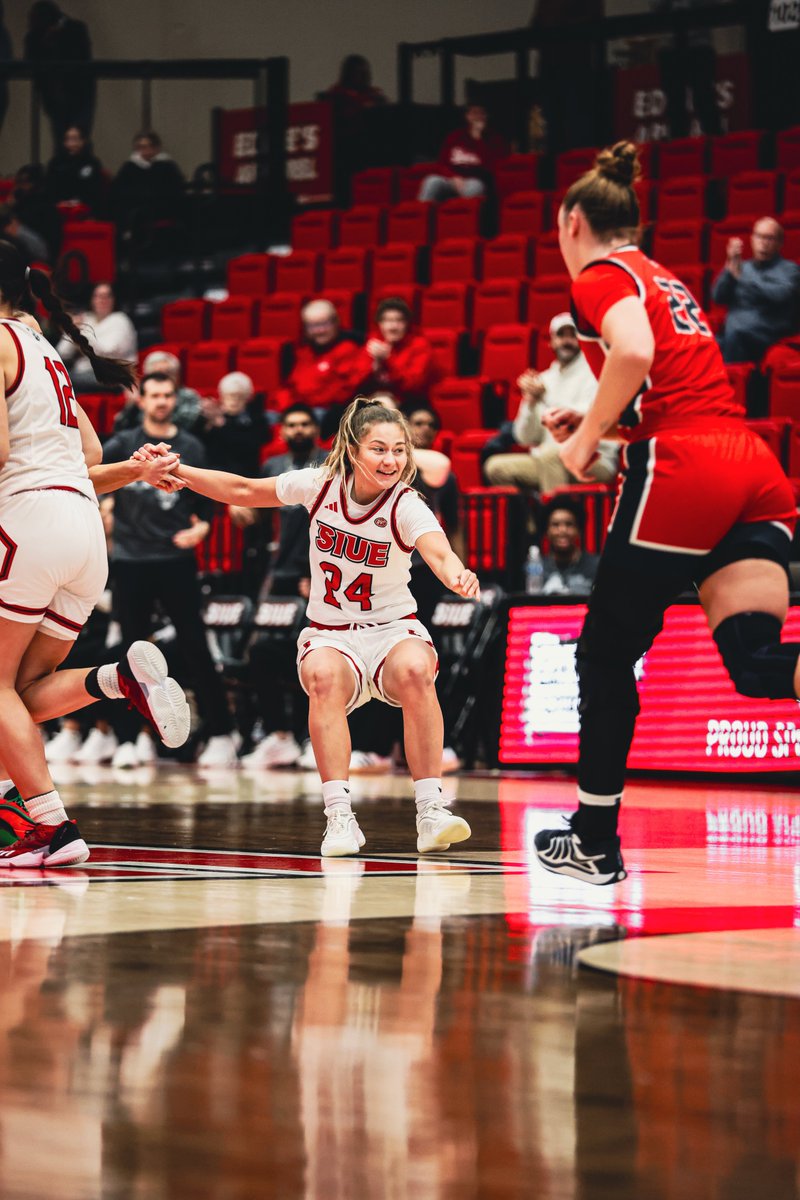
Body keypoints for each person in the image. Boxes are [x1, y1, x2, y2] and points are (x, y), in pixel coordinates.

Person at [533, 142, 798, 886]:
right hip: (751, 468)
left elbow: (636, 352)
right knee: (752, 662)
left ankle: (593, 837)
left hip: (687, 470)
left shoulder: (597, 275)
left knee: (605, 653)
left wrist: (585, 440)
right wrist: (602, 425)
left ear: (573, 220)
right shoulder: (662, 274)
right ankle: (590, 836)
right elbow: (671, 384)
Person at [144, 397, 479, 857]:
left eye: (400, 450)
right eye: (379, 449)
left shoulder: (406, 504)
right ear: (353, 448)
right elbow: (242, 490)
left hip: (391, 630)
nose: (392, 460)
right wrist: (181, 472)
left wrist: (457, 573)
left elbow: (438, 551)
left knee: (417, 671)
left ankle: (430, 811)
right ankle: (340, 818)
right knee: (323, 678)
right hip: (331, 632)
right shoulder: (319, 485)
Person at [0, 240, 190, 867]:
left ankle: (50, 826)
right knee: (19, 693)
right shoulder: (47, 354)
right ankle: (116, 679)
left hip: (26, 523)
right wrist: (135, 475)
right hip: (82, 529)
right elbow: (88, 462)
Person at [101, 372, 240, 768]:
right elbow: (96, 481)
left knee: (196, 646)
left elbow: (209, 503)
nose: (160, 401)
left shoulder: (192, 445)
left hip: (176, 561)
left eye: (167, 395)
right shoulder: (125, 445)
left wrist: (202, 528)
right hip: (130, 561)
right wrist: (104, 509)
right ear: (141, 401)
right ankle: (130, 739)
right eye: (154, 395)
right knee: (130, 652)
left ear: (175, 400)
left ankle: (220, 734)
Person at [234, 404, 327, 769]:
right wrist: (239, 509)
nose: (298, 429)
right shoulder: (273, 467)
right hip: (281, 574)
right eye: (292, 424)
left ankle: (312, 738)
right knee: (260, 652)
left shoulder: (329, 465)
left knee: (315, 655)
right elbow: (255, 504)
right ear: (283, 431)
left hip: (320, 575)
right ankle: (279, 735)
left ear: (315, 427)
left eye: (305, 423)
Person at [484, 314, 618, 495]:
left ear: (580, 340)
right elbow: (524, 437)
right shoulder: (544, 379)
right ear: (552, 341)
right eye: (562, 335)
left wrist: (544, 397)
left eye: (573, 335)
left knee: (550, 456)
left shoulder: (595, 374)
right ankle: (533, 523)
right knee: (496, 468)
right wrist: (530, 403)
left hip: (594, 459)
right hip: (550, 459)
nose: (567, 341)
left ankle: (558, 520)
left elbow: (584, 419)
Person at [711, 217, 800, 364]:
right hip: (734, 335)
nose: (763, 243)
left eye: (769, 238)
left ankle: (734, 382)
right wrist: (729, 270)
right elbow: (717, 297)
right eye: (759, 236)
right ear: (752, 239)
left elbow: (780, 295)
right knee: (705, 345)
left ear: (780, 243)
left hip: (769, 334)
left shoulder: (790, 270)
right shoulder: (741, 268)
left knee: (735, 334)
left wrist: (743, 278)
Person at [273, 298, 362, 432]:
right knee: (268, 418)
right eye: (312, 326)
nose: (319, 331)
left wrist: (301, 408)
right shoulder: (302, 352)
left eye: (324, 324)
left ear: (335, 322)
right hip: (296, 411)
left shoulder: (348, 349)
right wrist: (289, 408)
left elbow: (342, 392)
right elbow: (289, 386)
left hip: (325, 415)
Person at [24, 1, 95, 145]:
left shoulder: (76, 30)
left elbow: (81, 57)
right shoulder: (34, 37)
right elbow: (30, 62)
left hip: (78, 94)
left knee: (79, 139)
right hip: (55, 97)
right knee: (61, 140)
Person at [354, 299, 438, 412]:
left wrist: (388, 360)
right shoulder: (373, 343)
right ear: (379, 324)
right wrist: (373, 367)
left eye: (399, 321)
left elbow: (413, 385)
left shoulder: (419, 346)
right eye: (388, 321)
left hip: (409, 403)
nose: (393, 327)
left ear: (407, 324)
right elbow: (355, 381)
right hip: (372, 399)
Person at [110, 131, 185, 252]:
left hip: (160, 208)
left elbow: (175, 190)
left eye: (147, 146)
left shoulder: (167, 166)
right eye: (140, 147)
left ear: (156, 148)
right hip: (135, 209)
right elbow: (119, 190)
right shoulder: (129, 167)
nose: (144, 150)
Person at [418, 105, 508, 204]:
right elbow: (442, 164)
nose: (478, 117)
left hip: (475, 180)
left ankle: (461, 217)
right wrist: (453, 177)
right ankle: (420, 216)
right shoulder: (455, 137)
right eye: (474, 113)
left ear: (486, 116)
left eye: (481, 113)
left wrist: (478, 138)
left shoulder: (494, 139)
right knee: (431, 181)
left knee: (475, 187)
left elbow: (490, 167)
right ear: (467, 116)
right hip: (452, 180)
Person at [56, 281, 137, 391]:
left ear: (114, 299)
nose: (102, 300)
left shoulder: (121, 320)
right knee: (55, 376)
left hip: (114, 375)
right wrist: (70, 329)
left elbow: (107, 352)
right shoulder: (86, 318)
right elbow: (63, 353)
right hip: (83, 373)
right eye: (98, 296)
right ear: (92, 299)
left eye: (107, 296)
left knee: (60, 379)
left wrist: (79, 332)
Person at [197, 371, 269, 477]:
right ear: (221, 396)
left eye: (239, 396)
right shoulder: (212, 418)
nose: (234, 401)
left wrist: (223, 426)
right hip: (216, 473)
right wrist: (208, 423)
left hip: (246, 473)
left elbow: (250, 446)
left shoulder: (256, 419)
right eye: (230, 396)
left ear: (247, 397)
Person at [113, 349, 201, 432]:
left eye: (167, 374)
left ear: (177, 376)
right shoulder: (141, 397)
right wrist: (132, 405)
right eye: (156, 375)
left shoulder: (188, 395)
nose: (162, 380)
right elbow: (119, 428)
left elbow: (186, 425)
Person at [540, 501, 599, 596]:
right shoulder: (537, 568)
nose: (563, 530)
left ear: (578, 531)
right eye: (555, 525)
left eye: (569, 524)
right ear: (547, 531)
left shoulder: (596, 566)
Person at [45, 125, 104, 213]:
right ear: (64, 142)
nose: (72, 144)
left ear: (83, 141)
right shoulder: (55, 164)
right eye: (68, 139)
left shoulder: (92, 163)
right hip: (59, 209)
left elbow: (96, 191)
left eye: (75, 139)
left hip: (86, 209)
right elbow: (50, 189)